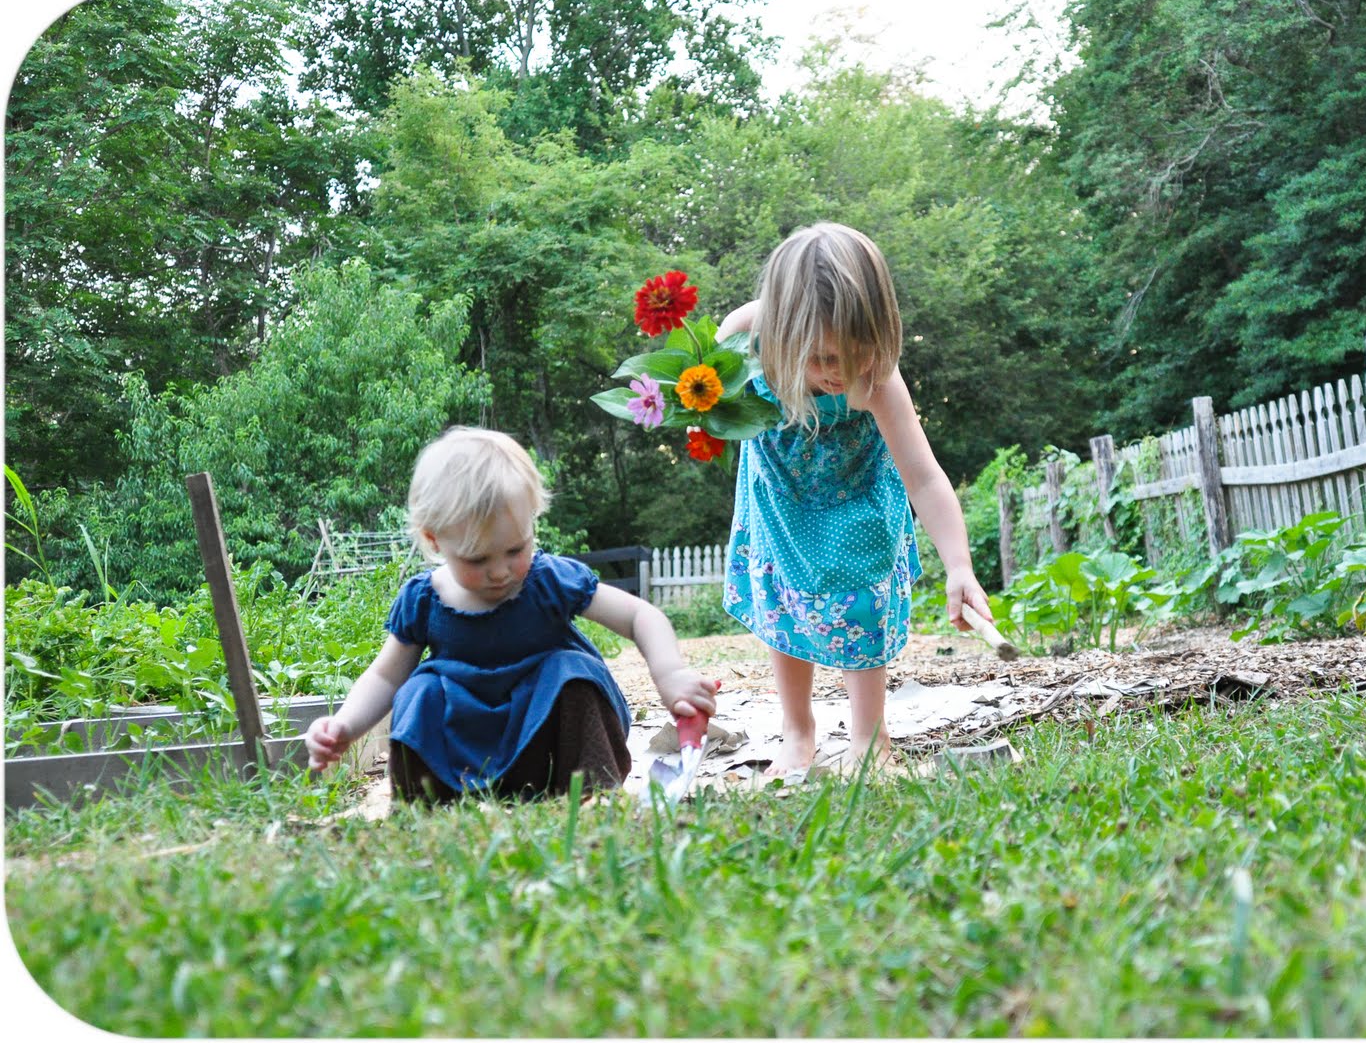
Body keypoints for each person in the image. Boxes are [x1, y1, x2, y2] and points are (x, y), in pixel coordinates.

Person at [304, 426, 717, 803]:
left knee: (572, 672)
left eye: (516, 549)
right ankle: (426, 804)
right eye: (477, 559)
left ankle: (593, 795)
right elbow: (385, 676)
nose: (500, 571)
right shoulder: (424, 599)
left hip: (550, 741)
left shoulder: (550, 580)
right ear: (434, 540)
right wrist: (345, 726)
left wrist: (670, 674)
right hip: (464, 746)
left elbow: (639, 616)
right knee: (418, 691)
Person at [718, 221, 994, 776]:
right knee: (783, 602)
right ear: (782, 331)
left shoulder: (879, 381)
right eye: (822, 358)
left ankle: (871, 736)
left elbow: (925, 479)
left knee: (861, 606)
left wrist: (959, 566)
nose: (839, 372)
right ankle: (798, 730)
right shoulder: (744, 337)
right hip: (780, 498)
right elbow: (708, 400)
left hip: (858, 496)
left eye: (855, 354)